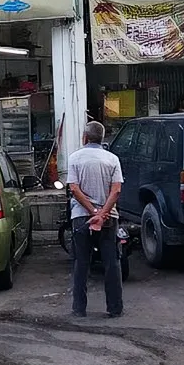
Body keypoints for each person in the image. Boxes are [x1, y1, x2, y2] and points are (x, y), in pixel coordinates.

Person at [67, 121, 124, 319]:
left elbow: (73, 189)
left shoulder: (75, 158)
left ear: (85, 137)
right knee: (112, 262)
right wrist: (102, 214)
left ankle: (79, 308)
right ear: (102, 138)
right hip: (109, 218)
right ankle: (115, 308)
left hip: (81, 217)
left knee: (81, 263)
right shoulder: (112, 159)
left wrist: (92, 212)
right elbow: (116, 190)